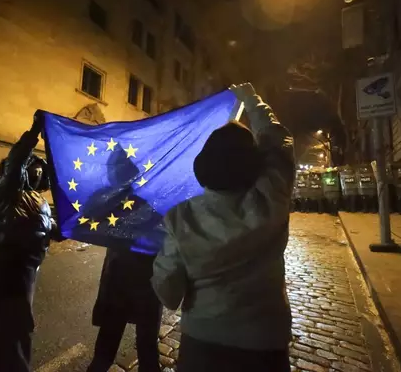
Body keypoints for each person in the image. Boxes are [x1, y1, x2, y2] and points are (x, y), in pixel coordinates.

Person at [152, 83, 295, 372]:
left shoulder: (181, 218)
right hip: (265, 342)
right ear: (254, 165)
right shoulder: (272, 196)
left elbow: (168, 293)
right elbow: (278, 140)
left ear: (203, 166)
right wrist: (252, 100)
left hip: (203, 345)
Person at [0, 111, 58, 372]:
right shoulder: (10, 191)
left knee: (17, 326)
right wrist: (34, 131)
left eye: (40, 171)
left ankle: (4, 363)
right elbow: (16, 160)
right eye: (33, 170)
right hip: (9, 267)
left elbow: (50, 229)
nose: (38, 175)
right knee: (15, 326)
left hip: (27, 269)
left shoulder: (37, 200)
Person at [85, 148, 163, 372]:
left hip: (123, 282)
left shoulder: (106, 200)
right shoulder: (150, 201)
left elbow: (80, 221)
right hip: (146, 282)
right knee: (146, 350)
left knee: (107, 350)